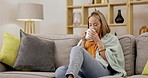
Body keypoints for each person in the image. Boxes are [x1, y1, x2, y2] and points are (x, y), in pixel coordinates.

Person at [55, 11, 126, 78]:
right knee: (60, 71)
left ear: (102, 25)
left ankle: (71, 77)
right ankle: (72, 75)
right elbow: (79, 57)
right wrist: (83, 41)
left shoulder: (111, 39)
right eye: (90, 25)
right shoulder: (86, 39)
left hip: (103, 69)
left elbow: (113, 61)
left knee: (77, 49)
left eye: (95, 25)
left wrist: (98, 42)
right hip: (85, 71)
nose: (92, 27)